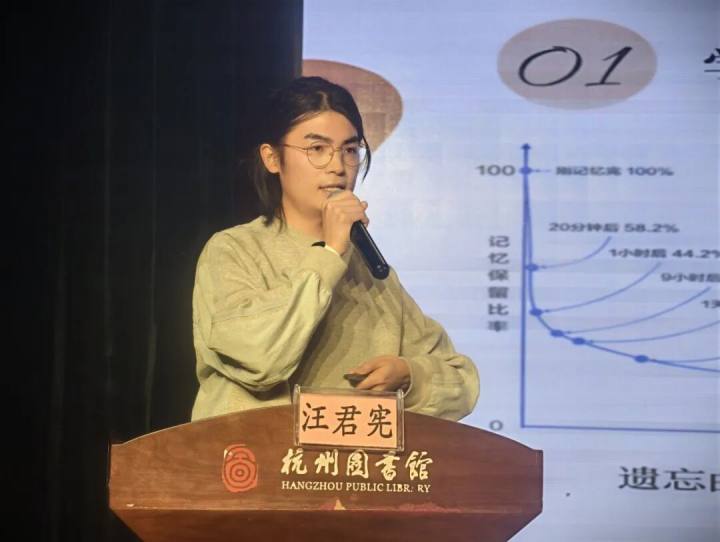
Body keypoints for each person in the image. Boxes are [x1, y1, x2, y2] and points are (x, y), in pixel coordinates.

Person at [191, 76, 479, 422]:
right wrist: (329, 254)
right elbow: (259, 360)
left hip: (351, 457)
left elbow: (461, 381)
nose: (337, 167)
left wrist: (409, 376)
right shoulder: (234, 250)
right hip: (257, 453)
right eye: (317, 149)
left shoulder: (372, 271)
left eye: (350, 150)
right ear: (272, 158)